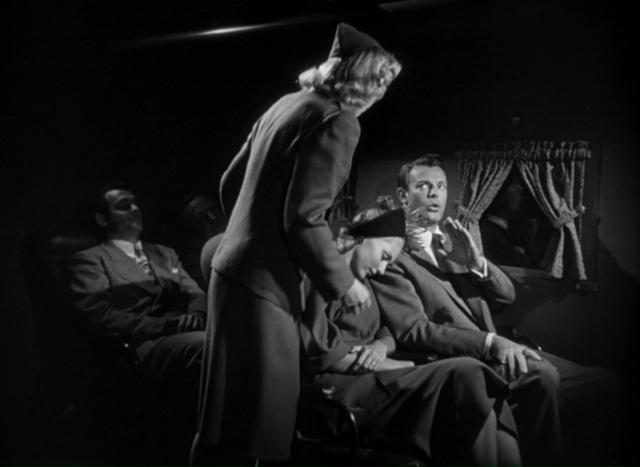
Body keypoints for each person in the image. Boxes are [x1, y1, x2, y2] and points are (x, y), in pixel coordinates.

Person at [192, 23, 402, 464]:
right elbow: (305, 219)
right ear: (367, 82)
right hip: (267, 285)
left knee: (222, 421)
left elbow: (231, 183)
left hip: (230, 272)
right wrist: (344, 284)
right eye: (382, 84)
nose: (382, 95)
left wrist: (251, 234)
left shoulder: (286, 105)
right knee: (263, 427)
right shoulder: (339, 121)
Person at [369, 154, 618, 464]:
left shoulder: (453, 242)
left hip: (501, 347)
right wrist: (490, 343)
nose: (435, 194)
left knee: (604, 382)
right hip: (462, 361)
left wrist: (476, 262)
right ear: (404, 196)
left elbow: (506, 296)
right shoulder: (391, 254)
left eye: (441, 186)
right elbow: (414, 330)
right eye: (424, 186)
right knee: (542, 377)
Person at [300, 207, 522, 465]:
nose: (382, 268)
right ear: (361, 239)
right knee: (468, 372)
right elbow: (317, 350)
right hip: (343, 388)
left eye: (389, 262)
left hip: (381, 374)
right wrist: (393, 364)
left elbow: (388, 331)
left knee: (483, 387)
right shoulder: (319, 278)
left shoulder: (368, 283)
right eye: (383, 256)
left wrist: (382, 346)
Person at [67, 183, 206, 460]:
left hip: (185, 330)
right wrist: (166, 326)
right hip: (143, 344)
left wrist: (198, 315)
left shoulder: (164, 253)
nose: (135, 209)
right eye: (123, 206)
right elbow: (101, 316)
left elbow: (196, 293)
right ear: (102, 219)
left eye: (135, 203)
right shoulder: (88, 260)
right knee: (207, 347)